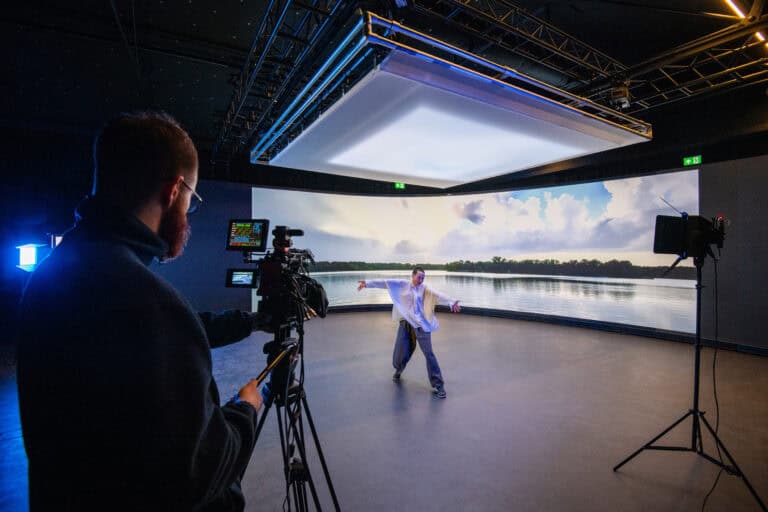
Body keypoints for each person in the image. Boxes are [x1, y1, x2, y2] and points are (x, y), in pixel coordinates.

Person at [16, 111, 265, 511]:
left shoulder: (54, 275)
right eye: (192, 201)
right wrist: (245, 410)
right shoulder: (147, 302)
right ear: (173, 191)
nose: (188, 213)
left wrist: (250, 322)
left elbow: (154, 336)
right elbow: (197, 475)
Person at [357, 267, 460, 398]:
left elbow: (437, 294)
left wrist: (451, 302)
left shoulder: (424, 288)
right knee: (402, 351)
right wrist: (367, 283)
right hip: (406, 323)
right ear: (413, 276)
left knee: (429, 354)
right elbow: (385, 282)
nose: (421, 280)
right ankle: (398, 370)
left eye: (423, 278)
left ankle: (439, 386)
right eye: (419, 277)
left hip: (421, 325)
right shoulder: (403, 284)